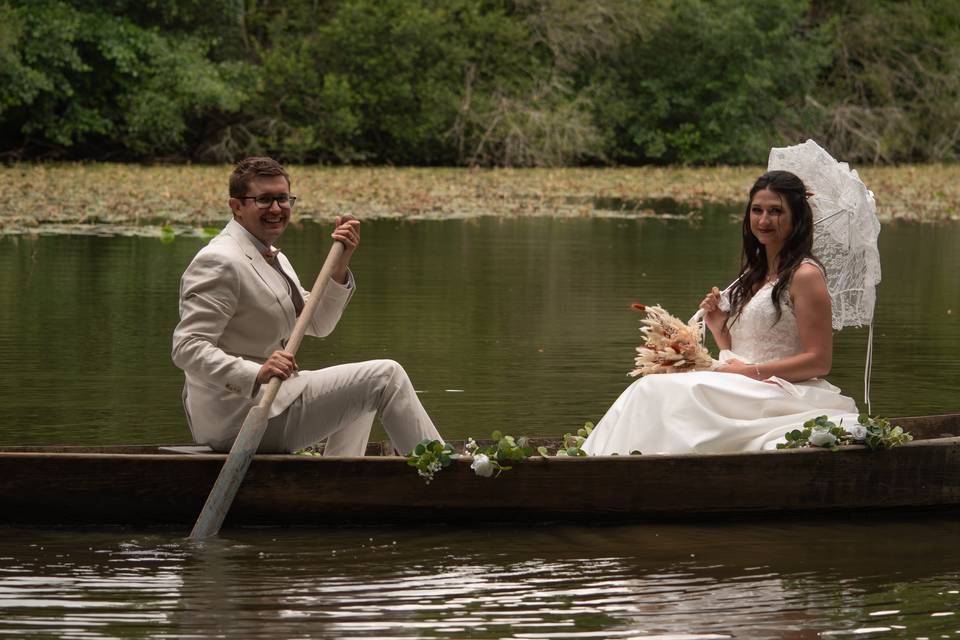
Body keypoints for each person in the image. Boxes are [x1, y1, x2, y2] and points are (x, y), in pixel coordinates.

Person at [172, 156, 441, 456]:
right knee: (385, 376)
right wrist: (256, 373)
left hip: (275, 400)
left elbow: (318, 324)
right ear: (236, 206)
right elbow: (187, 348)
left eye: (283, 198)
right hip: (240, 416)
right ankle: (442, 473)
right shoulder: (220, 260)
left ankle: (338, 490)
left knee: (360, 391)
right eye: (264, 199)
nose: (276, 208)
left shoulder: (272, 255)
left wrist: (341, 263)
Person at [582, 170, 861, 455]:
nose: (763, 220)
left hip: (779, 390)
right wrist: (718, 328)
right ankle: (609, 460)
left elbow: (819, 361)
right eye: (757, 210)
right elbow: (741, 350)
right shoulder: (754, 275)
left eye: (776, 211)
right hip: (742, 383)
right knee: (651, 386)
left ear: (797, 218)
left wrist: (748, 373)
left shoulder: (805, 276)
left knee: (674, 392)